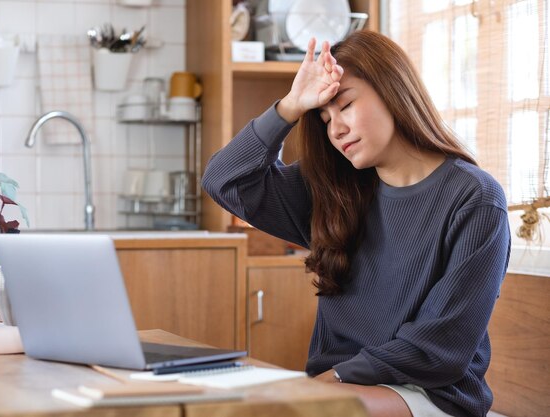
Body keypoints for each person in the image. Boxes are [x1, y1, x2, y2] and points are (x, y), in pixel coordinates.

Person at [202, 31, 510, 417]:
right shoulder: (335, 192)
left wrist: (327, 382)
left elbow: (438, 348)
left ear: (393, 90)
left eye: (345, 106)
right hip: (339, 384)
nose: (335, 130)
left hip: (429, 393)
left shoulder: (475, 199)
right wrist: (291, 106)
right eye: (325, 117)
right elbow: (224, 180)